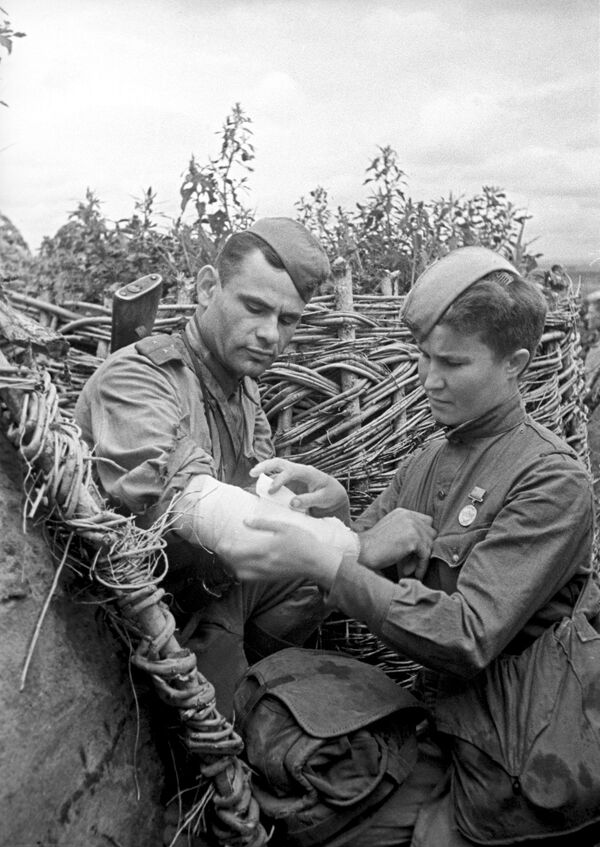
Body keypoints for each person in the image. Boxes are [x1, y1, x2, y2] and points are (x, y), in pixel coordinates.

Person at [216, 246, 595, 847]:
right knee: (304, 813)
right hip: (449, 729)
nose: (429, 379)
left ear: (516, 366)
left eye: (452, 363)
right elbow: (367, 549)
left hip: (516, 764)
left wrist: (331, 559)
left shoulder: (551, 479)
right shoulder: (432, 456)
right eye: (423, 358)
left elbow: (466, 633)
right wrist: (336, 515)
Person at [74, 216, 435, 719]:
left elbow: (265, 509)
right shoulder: (137, 378)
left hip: (210, 592)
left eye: (288, 320)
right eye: (255, 307)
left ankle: (262, 670)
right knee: (240, 748)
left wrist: (337, 510)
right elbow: (210, 512)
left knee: (314, 580)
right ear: (206, 288)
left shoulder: (241, 390)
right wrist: (360, 546)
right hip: (139, 615)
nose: (270, 335)